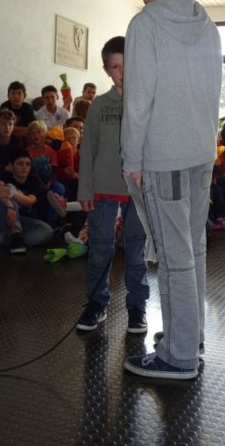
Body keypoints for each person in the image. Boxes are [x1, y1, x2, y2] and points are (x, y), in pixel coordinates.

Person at [121, 0, 222, 380]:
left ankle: (178, 357)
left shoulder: (145, 24)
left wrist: (131, 159)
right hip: (201, 154)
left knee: (174, 257)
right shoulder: (208, 25)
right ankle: (189, 336)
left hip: (163, 157)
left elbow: (138, 101)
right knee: (193, 250)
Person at [76, 36, 149, 334]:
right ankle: (96, 303)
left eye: (127, 64)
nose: (123, 72)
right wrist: (85, 189)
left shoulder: (146, 102)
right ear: (107, 70)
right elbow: (88, 150)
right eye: (116, 67)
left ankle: (137, 306)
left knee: (136, 250)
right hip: (103, 189)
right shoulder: (99, 106)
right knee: (100, 249)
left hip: (137, 191)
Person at [0, 149, 53, 253]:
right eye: (20, 164)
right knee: (9, 187)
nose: (24, 167)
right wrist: (9, 205)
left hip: (20, 219)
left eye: (27, 164)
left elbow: (30, 201)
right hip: (0, 218)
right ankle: (15, 233)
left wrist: (13, 193)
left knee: (47, 231)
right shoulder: (5, 176)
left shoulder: (33, 181)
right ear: (11, 166)